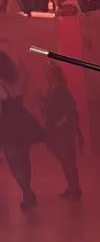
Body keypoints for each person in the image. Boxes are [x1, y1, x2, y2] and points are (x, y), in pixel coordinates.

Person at [0, 52, 46, 210]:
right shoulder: (15, 82)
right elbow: (25, 79)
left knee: (13, 162)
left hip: (8, 125)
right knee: (24, 159)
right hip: (23, 121)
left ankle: (27, 192)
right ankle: (28, 192)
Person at [40, 63, 83, 201]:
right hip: (54, 129)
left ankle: (75, 189)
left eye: (48, 72)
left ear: (54, 74)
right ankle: (71, 186)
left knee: (68, 160)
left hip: (63, 131)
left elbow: (69, 109)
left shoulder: (62, 89)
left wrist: (61, 122)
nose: (46, 74)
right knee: (64, 160)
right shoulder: (51, 88)